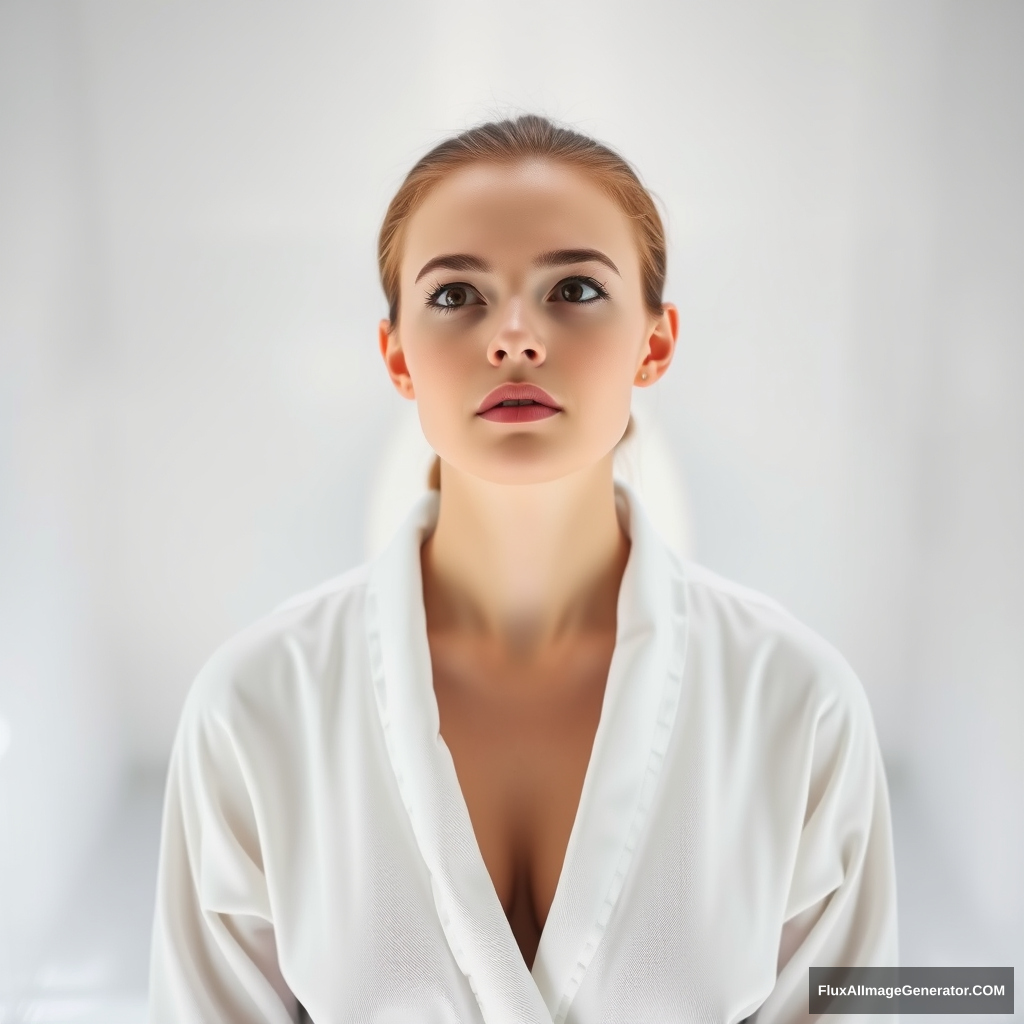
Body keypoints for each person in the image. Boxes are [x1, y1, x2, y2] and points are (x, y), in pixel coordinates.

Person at [148, 114, 898, 1024]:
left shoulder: (801, 706)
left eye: (574, 288)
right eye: (456, 296)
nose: (513, 338)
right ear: (397, 357)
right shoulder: (252, 709)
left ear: (654, 346)